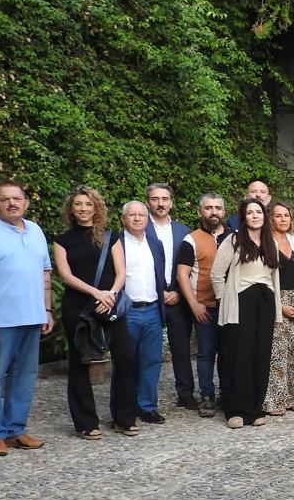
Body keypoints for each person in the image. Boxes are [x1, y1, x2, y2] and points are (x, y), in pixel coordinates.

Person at [0, 180, 54, 456]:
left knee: (24, 377)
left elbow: (45, 274)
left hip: (31, 317)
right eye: (4, 199)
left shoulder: (36, 231)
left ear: (26, 202)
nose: (12, 203)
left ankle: (16, 430)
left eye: (17, 198)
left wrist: (46, 309)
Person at [52, 186, 141, 438]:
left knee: (125, 358)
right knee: (80, 364)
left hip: (111, 305)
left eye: (88, 204)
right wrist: (96, 293)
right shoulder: (62, 240)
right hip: (78, 307)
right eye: (78, 204)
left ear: (96, 208)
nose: (83, 209)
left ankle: (125, 418)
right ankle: (85, 423)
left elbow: (121, 272)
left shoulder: (110, 237)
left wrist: (110, 294)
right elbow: (66, 276)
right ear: (71, 209)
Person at [210, 198, 282, 428]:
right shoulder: (233, 240)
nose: (254, 216)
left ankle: (255, 408)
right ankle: (235, 410)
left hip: (265, 300)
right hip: (241, 300)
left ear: (264, 215)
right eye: (250, 212)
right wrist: (225, 301)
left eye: (258, 212)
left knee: (261, 355)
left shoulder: (271, 242)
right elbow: (216, 274)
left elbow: (275, 279)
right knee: (239, 355)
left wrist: (277, 310)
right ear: (244, 217)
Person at [176, 194, 233, 418]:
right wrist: (194, 305)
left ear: (224, 212)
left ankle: (227, 394)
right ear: (200, 212)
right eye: (208, 208)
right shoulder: (191, 240)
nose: (214, 212)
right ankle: (207, 397)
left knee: (229, 353)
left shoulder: (235, 237)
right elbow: (182, 275)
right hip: (205, 307)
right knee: (207, 353)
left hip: (230, 306)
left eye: (218, 207)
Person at [145, 183, 197, 409]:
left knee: (181, 349)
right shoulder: (139, 227)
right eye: (155, 199)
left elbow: (190, 266)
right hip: (150, 296)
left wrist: (178, 291)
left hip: (177, 296)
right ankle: (145, 398)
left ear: (171, 202)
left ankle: (185, 394)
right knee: (147, 351)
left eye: (165, 199)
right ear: (148, 202)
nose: (160, 203)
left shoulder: (184, 231)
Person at [115, 201, 167, 426]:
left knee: (151, 360)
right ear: (123, 218)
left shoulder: (155, 243)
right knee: (125, 363)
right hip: (128, 310)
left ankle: (147, 407)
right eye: (132, 215)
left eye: (141, 215)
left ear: (147, 219)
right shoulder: (116, 243)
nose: (137, 219)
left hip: (153, 309)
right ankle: (122, 410)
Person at [263, 200, 294, 416]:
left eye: (286, 215)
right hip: (274, 300)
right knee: (277, 354)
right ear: (270, 218)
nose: (283, 219)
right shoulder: (264, 243)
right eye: (278, 215)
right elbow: (263, 279)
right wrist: (279, 307)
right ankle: (274, 400)